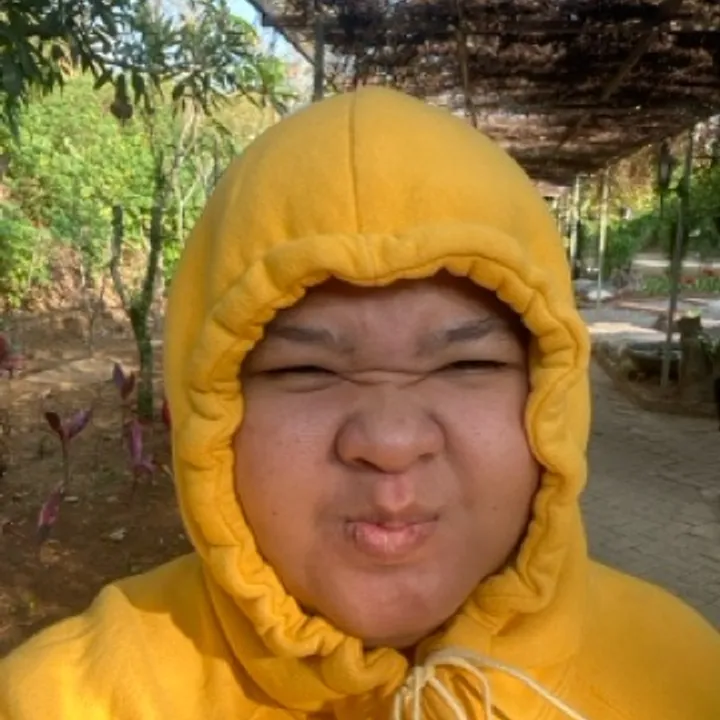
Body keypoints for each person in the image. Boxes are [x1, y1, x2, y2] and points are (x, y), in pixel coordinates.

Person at [1, 87, 719, 719]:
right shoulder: (65, 700)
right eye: (307, 369)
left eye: (467, 363)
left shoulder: (684, 677)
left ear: (551, 393)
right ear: (209, 416)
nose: (391, 439)